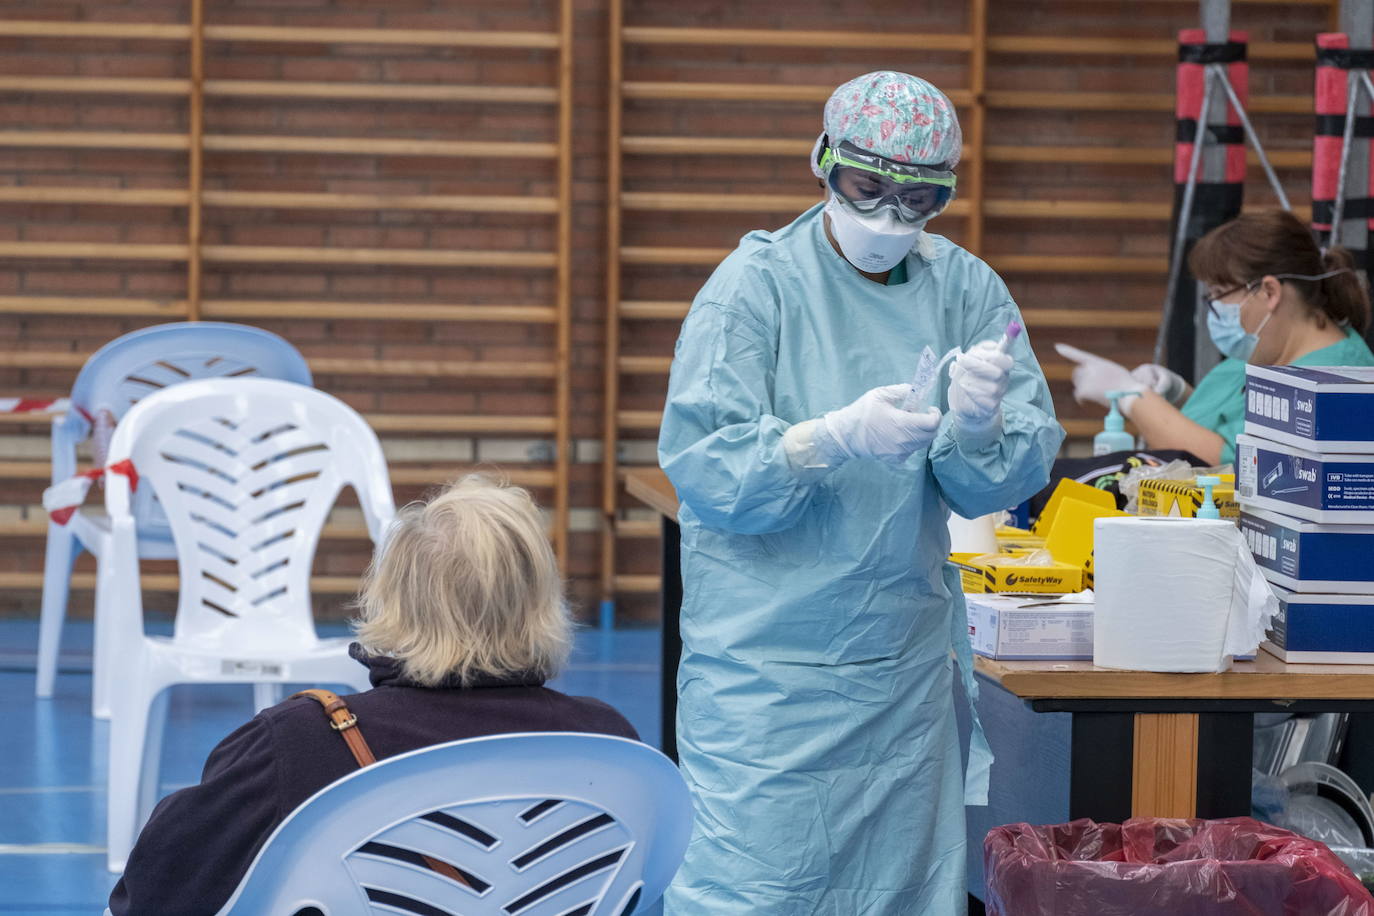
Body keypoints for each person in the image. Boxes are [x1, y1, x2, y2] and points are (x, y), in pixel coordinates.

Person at [657, 71, 1064, 914]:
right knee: (757, 887)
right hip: (767, 669)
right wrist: (826, 439)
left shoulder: (967, 292)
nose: (887, 219)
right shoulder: (754, 290)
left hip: (900, 670)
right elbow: (705, 466)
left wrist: (981, 427)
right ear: (824, 164)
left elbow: (997, 479)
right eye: (866, 189)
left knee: (900, 892)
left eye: (916, 200)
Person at [108, 475, 638, 915]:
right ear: (542, 602)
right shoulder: (612, 747)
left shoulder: (298, 743)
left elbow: (149, 896)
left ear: (390, 598)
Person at [1058, 209, 1374, 465]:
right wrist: (1178, 394)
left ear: (1269, 292)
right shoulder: (1268, 351)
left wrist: (1131, 397)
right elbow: (1234, 421)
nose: (1214, 309)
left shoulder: (1329, 380)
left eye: (1220, 294)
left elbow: (1229, 461)